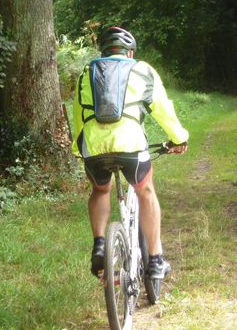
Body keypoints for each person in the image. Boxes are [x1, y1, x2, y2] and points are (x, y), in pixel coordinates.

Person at [72, 26, 189, 279]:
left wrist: (78, 148)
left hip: (94, 148)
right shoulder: (142, 70)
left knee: (101, 190)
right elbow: (163, 110)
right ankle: (156, 260)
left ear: (103, 51)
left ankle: (100, 245)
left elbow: (79, 114)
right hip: (131, 146)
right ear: (131, 52)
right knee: (145, 191)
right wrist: (178, 138)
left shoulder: (86, 73)